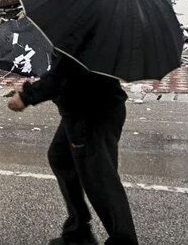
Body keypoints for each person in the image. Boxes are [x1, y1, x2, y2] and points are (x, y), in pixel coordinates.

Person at [8, 53, 137, 245]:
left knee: (100, 181)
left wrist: (27, 96)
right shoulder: (85, 27)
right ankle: (78, 231)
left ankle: (123, 241)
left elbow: (66, 71)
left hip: (91, 113)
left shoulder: (79, 29)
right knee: (61, 158)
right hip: (83, 108)